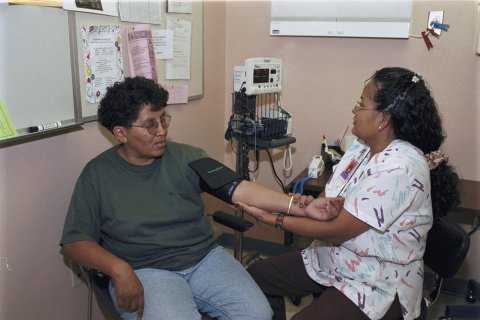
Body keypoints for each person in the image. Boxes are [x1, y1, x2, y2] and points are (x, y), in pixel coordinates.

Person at [236, 67, 459, 320]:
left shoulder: (402, 165)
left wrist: (274, 219)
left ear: (383, 119)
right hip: (338, 258)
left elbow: (339, 229)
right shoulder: (360, 149)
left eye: (361, 104)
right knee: (254, 279)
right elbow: (329, 203)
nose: (355, 110)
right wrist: (311, 205)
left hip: (378, 280)